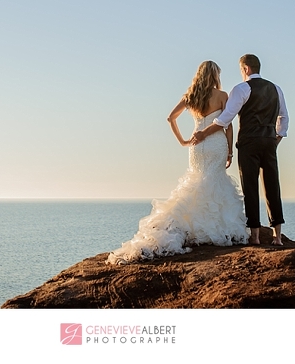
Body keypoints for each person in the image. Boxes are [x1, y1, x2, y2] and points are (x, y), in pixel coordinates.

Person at [106, 60, 248, 265]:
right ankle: (212, 226)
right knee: (215, 180)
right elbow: (227, 125)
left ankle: (191, 224)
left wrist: (182, 141)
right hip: (216, 143)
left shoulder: (190, 97)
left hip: (196, 145)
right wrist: (229, 152)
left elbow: (170, 118)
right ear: (215, 75)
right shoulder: (222, 96)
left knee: (198, 181)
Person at [192, 54, 288, 246]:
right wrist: (276, 139)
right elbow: (283, 117)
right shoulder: (276, 89)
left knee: (250, 187)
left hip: (249, 143)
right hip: (269, 141)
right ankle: (277, 236)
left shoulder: (242, 88)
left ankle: (255, 235)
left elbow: (225, 118)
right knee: (272, 185)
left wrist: (204, 133)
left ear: (245, 69)